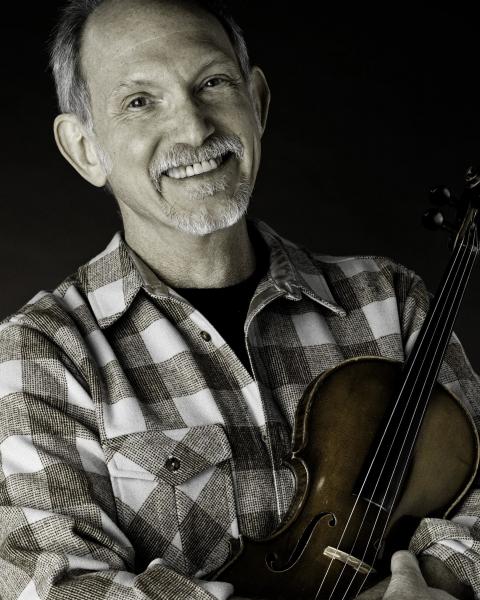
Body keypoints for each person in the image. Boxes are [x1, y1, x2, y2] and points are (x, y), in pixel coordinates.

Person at [0, 1, 478, 598]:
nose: (195, 129)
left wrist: (432, 581)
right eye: (140, 101)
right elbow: (56, 584)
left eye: (213, 83)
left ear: (258, 102)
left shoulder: (390, 299)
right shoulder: (43, 352)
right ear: (84, 148)